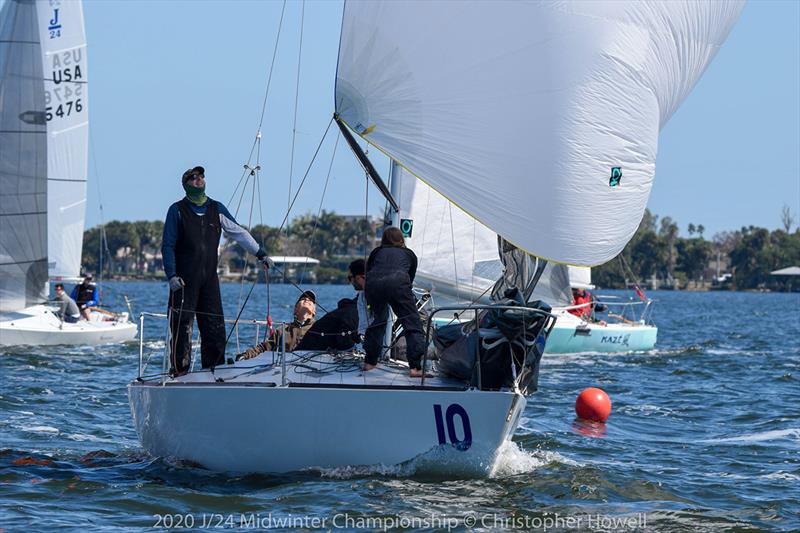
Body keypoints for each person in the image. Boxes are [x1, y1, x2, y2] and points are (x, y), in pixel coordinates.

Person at [162, 165, 271, 376]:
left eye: (201, 176)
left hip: (209, 279)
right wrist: (171, 275)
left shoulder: (216, 208)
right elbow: (167, 245)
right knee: (182, 328)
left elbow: (238, 232)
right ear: (186, 184)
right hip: (183, 281)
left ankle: (214, 371)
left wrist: (260, 253)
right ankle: (179, 372)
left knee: (214, 327)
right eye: (193, 178)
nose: (198, 179)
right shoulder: (176, 210)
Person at [363, 227, 426, 377]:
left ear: (384, 240)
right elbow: (409, 279)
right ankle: (415, 368)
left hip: (373, 286)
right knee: (412, 324)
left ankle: (369, 362)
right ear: (401, 240)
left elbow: (369, 270)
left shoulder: (376, 252)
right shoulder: (409, 254)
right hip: (398, 285)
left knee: (378, 321)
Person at [296, 259, 368, 351]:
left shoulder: (360, 303)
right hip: (307, 353)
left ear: (360, 277)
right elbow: (344, 341)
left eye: (350, 278)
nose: (350, 282)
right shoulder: (353, 309)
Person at [237, 291, 317, 359]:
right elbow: (264, 347)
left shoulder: (319, 328)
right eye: (303, 299)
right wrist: (245, 355)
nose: (307, 299)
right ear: (295, 310)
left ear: (314, 311)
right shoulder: (282, 330)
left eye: (311, 300)